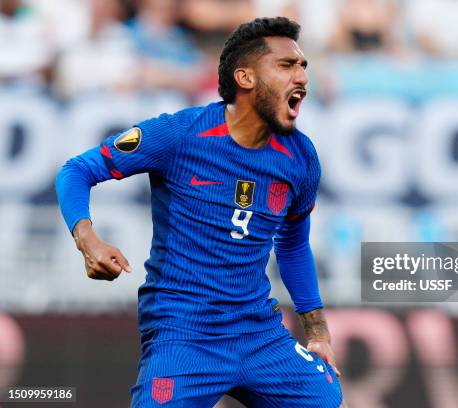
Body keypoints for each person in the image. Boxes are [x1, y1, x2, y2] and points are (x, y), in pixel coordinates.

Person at [56, 16, 346, 407]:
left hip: (259, 334)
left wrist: (318, 334)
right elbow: (77, 171)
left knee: (327, 399)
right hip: (184, 333)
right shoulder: (179, 135)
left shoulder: (300, 157)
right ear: (245, 78)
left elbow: (293, 246)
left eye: (303, 66)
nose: (302, 77)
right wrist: (87, 239)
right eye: (286, 65)